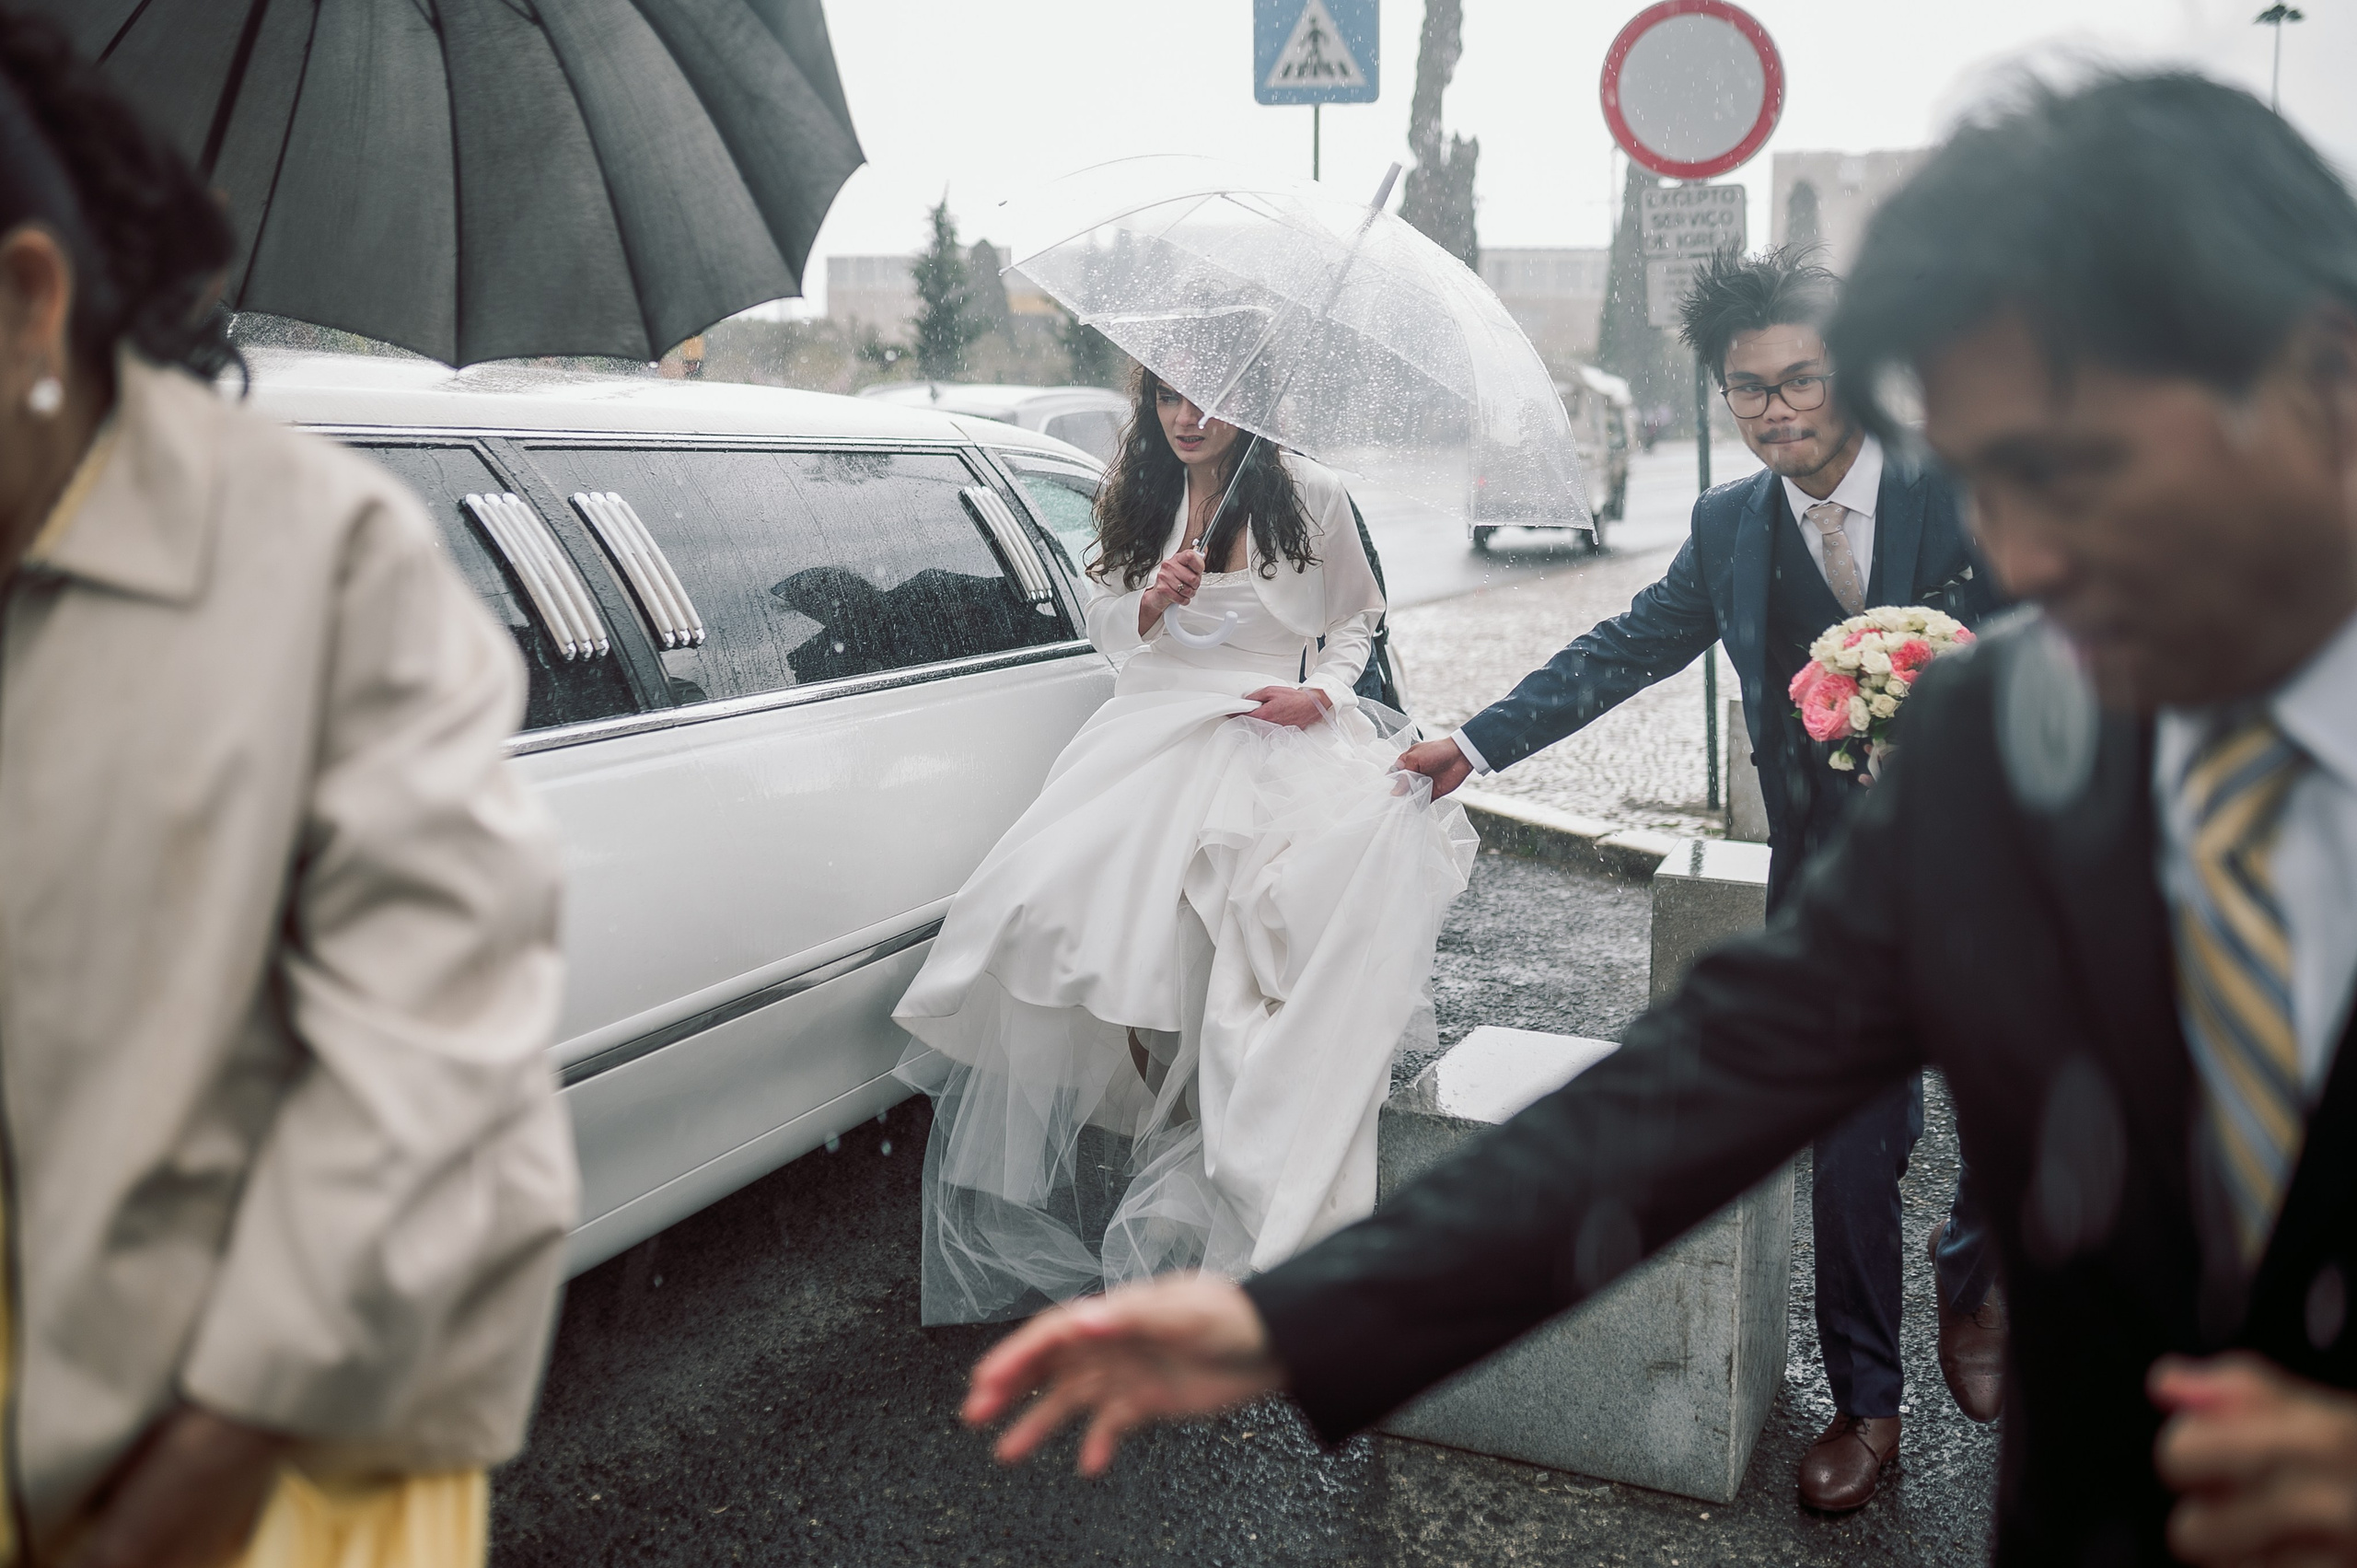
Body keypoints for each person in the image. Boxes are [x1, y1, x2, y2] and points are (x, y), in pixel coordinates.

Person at [960, 71, 2357, 1568]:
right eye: (1982, 469)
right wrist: (1293, 1312)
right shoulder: (1998, 731)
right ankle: (1875, 1390)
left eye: (2069, 464)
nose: (2019, 546)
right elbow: (1713, 1075)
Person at [0, 15, 575, 1565]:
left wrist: (185, 1486)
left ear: (30, 302)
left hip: (250, 1482)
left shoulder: (330, 564)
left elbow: (434, 1072)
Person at [1397, 245, 2010, 1508]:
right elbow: (1626, 645)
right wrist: (1474, 739)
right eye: (1750, 388)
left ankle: (1979, 1272)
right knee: (1846, 1146)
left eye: (1803, 379)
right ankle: (1868, 1405)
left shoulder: (1972, 496)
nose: (1779, 408)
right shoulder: (1730, 526)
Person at [890, 369, 1473, 1326]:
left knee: (1242, 954)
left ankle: (1221, 1151)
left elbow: (1354, 620)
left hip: (1270, 731)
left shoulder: (1310, 495)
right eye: (1169, 400)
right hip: (1149, 732)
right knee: (1066, 919)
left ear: (1247, 406)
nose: (1188, 419)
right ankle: (1157, 1110)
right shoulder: (1143, 496)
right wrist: (1152, 599)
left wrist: (1320, 696)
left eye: (1206, 400)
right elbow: (1107, 628)